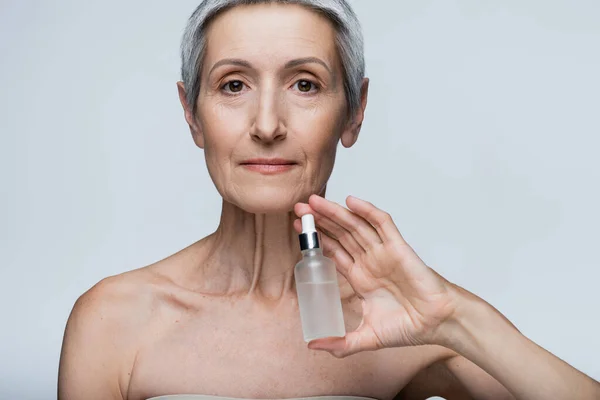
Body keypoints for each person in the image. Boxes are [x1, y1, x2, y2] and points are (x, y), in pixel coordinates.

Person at [57, 1, 600, 399]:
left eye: (305, 84)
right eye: (233, 85)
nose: (267, 125)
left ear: (355, 111)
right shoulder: (113, 320)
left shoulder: (403, 319)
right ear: (191, 114)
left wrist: (455, 319)